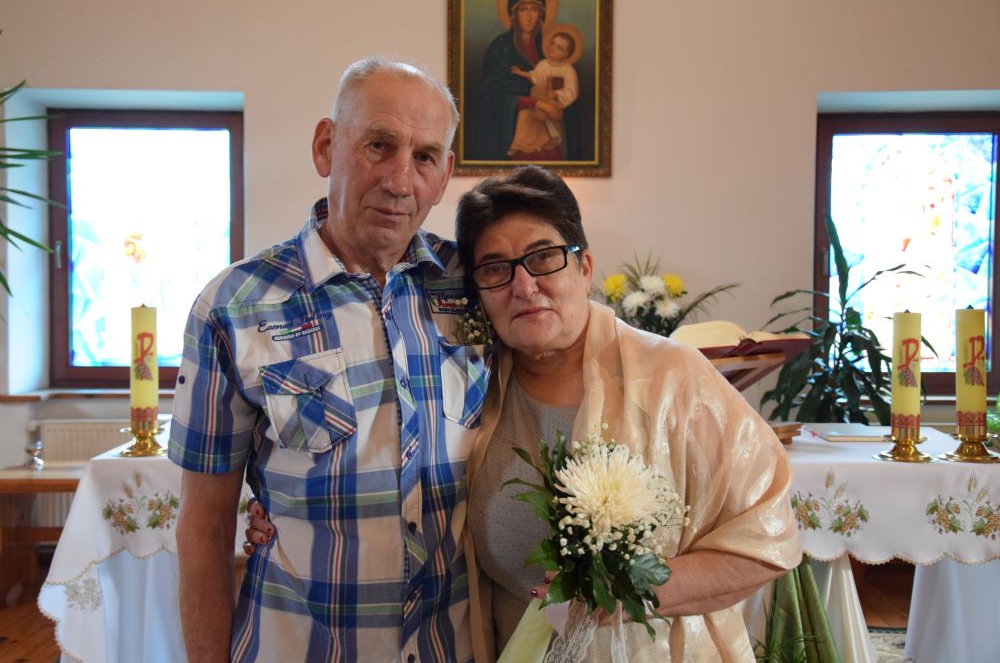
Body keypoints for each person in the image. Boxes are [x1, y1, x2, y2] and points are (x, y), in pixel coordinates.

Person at [248, 166, 802, 661]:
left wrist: (627, 592)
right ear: (477, 293)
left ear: (584, 266)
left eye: (543, 258)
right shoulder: (469, 383)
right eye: (495, 268)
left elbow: (767, 541)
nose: (523, 286)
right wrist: (279, 512)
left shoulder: (671, 378)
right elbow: (387, 460)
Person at [170, 57, 491, 662]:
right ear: (326, 147)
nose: (400, 181)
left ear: (444, 175)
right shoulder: (234, 306)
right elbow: (205, 526)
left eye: (424, 157)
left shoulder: (476, 287)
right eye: (379, 145)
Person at [472, 0, 582, 162]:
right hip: (515, 130)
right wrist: (536, 103)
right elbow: (493, 96)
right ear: (513, 14)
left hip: (551, 136)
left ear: (542, 14)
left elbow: (568, 95)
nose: (529, 16)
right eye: (524, 9)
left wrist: (555, 102)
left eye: (534, 9)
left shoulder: (549, 49)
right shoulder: (500, 49)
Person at [507, 29, 580, 158]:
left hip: (554, 104)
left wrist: (557, 94)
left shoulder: (568, 70)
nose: (553, 48)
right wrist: (521, 73)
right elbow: (534, 77)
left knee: (540, 116)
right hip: (538, 99)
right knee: (524, 114)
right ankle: (519, 145)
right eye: (552, 43)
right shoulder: (543, 64)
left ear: (567, 54)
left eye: (559, 48)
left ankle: (549, 138)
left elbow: (571, 91)